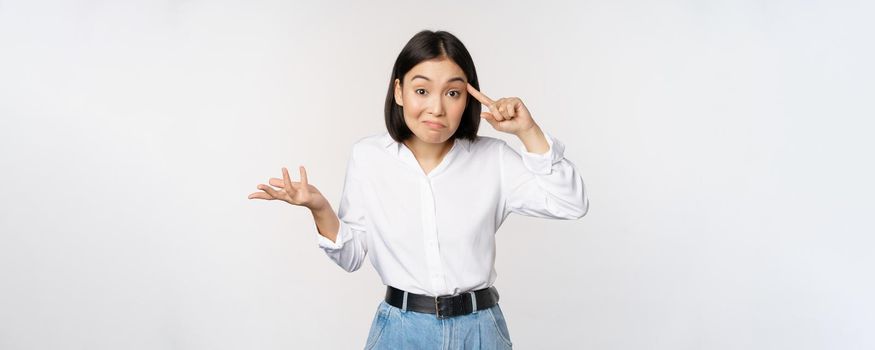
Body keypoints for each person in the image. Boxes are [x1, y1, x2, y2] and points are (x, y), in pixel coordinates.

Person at [248, 29, 589, 350]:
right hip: (400, 331)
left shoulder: (493, 158)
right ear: (399, 91)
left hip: (480, 331)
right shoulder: (369, 157)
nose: (436, 108)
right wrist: (319, 207)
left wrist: (528, 131)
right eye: (422, 90)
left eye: (452, 93)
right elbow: (351, 257)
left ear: (467, 98)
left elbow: (571, 204)